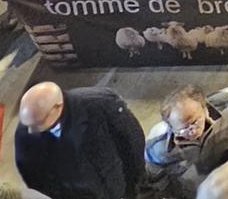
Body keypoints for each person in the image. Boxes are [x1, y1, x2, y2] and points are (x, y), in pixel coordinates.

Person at [14, 82, 146, 199]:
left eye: (40, 124)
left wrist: (135, 182)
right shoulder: (26, 132)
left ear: (57, 107)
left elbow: (132, 140)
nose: (33, 131)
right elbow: (34, 178)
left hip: (114, 187)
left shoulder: (99, 104)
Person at [146, 85, 228, 199]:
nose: (191, 132)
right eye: (183, 130)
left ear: (205, 108)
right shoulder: (158, 147)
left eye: (195, 122)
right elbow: (155, 179)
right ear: (170, 127)